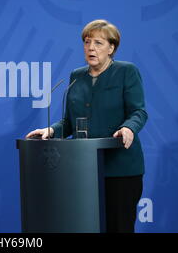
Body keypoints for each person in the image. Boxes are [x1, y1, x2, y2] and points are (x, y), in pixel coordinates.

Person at [26, 19, 148, 233]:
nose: (91, 48)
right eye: (87, 41)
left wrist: (129, 128)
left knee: (118, 227)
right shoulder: (76, 76)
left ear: (112, 48)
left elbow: (139, 111)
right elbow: (70, 122)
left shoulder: (126, 71)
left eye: (98, 43)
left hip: (120, 168)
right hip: (83, 169)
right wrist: (52, 130)